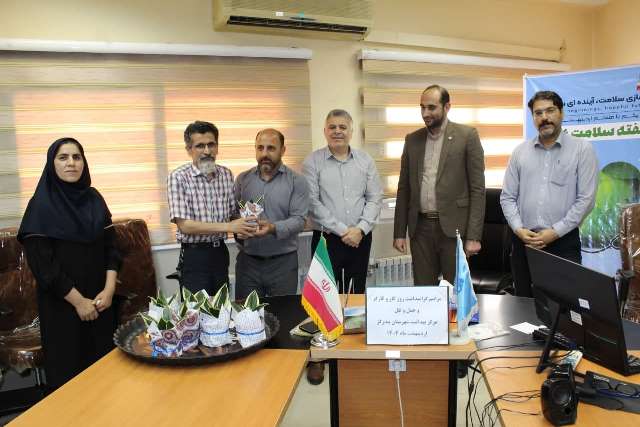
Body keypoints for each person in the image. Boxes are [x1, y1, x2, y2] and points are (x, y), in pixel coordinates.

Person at [18, 137, 120, 391]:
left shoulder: (95, 199)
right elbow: (44, 267)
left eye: (77, 157)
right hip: (63, 307)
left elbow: (112, 249)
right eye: (63, 157)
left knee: (107, 377)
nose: (71, 163)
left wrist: (109, 290)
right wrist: (79, 302)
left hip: (101, 302)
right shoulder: (40, 206)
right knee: (70, 381)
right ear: (51, 164)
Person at [500, 90, 598, 297]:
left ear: (561, 113)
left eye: (550, 111)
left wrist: (555, 232)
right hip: (524, 242)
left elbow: (586, 200)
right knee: (523, 304)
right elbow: (507, 197)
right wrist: (518, 229)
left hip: (563, 242)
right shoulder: (520, 152)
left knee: (564, 305)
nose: (544, 117)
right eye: (538, 113)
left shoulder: (582, 149)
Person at [393, 84, 486, 285]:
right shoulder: (412, 140)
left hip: (455, 229)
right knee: (424, 290)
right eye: (422, 107)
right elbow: (404, 189)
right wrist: (399, 232)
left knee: (455, 291)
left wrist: (474, 236)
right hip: (420, 229)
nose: (425, 113)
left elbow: (478, 190)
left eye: (431, 107)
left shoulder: (467, 136)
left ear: (447, 107)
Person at [167, 121, 256, 295]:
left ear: (217, 146)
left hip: (220, 253)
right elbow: (185, 225)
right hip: (195, 256)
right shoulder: (178, 177)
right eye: (200, 146)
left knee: (222, 307)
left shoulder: (226, 174)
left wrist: (247, 225)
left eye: (211, 144)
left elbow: (232, 214)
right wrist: (230, 226)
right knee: (198, 310)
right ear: (189, 149)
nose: (207, 151)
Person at [303, 109, 383, 294]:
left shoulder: (365, 160)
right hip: (326, 240)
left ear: (351, 132)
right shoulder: (312, 162)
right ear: (325, 131)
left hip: (360, 238)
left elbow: (375, 198)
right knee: (326, 296)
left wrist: (360, 229)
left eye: (342, 127)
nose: (337, 131)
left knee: (356, 292)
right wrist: (344, 231)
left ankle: (354, 317)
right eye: (332, 127)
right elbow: (312, 203)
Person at [234, 128, 308, 299]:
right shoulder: (242, 179)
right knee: (246, 312)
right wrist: (239, 228)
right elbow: (234, 214)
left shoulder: (297, 181)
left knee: (282, 313)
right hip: (248, 264)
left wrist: (272, 227)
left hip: (283, 264)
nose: (265, 154)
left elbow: (299, 220)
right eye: (260, 148)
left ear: (283, 150)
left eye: (271, 148)